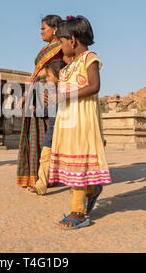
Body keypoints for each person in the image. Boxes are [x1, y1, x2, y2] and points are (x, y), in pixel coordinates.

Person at [49, 16, 110, 230]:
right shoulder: (67, 67)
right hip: (67, 121)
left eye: (61, 42)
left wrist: (66, 96)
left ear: (73, 40)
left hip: (83, 121)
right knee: (71, 162)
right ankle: (91, 190)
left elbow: (94, 86)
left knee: (79, 162)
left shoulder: (88, 59)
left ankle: (79, 212)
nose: (60, 46)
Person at [16, 15, 63, 187]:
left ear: (55, 29)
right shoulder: (47, 50)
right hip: (37, 91)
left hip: (49, 93)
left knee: (45, 133)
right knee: (33, 134)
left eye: (44, 28)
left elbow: (62, 73)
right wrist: (27, 93)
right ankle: (34, 176)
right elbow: (36, 74)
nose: (41, 32)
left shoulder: (62, 49)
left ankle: (46, 176)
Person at [27, 59, 66, 195]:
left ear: (58, 76)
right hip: (51, 135)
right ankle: (41, 186)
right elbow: (47, 113)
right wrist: (35, 110)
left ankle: (77, 187)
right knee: (44, 158)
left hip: (65, 135)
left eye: (48, 75)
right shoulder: (54, 96)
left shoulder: (66, 95)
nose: (46, 78)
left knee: (70, 161)